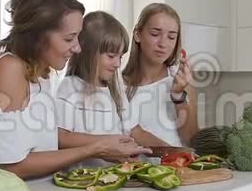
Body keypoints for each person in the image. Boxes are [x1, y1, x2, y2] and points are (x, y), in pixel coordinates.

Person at [0, 0, 151, 180]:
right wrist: (96, 149)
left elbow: (44, 149)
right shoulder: (10, 68)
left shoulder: (41, 74)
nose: (77, 48)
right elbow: (10, 168)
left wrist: (104, 146)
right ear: (38, 37)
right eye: (69, 39)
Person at [56, 11, 168, 168]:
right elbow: (62, 138)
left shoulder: (116, 89)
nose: (117, 64)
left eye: (120, 57)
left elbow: (136, 132)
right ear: (89, 53)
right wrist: (107, 143)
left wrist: (173, 151)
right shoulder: (70, 87)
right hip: (83, 182)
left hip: (115, 178)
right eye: (111, 56)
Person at [122, 3, 199, 147]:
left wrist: (178, 96)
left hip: (173, 167)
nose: (163, 43)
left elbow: (191, 142)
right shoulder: (116, 83)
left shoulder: (181, 81)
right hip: (130, 168)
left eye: (171, 37)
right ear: (138, 35)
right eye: (155, 34)